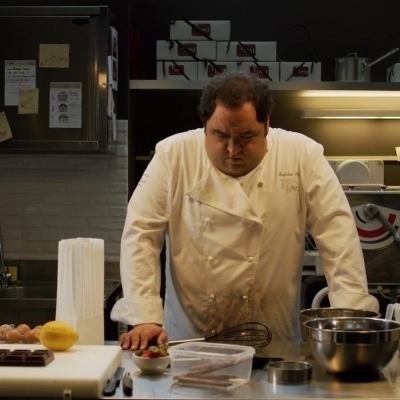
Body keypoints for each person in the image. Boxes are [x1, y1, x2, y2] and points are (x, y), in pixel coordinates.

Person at [111, 70, 379, 351]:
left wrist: (351, 315)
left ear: (267, 125)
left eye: (246, 136)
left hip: (273, 339)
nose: (232, 149)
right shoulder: (173, 156)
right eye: (220, 135)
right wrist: (144, 317)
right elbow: (141, 233)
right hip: (189, 341)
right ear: (204, 126)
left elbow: (338, 233)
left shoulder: (301, 155)